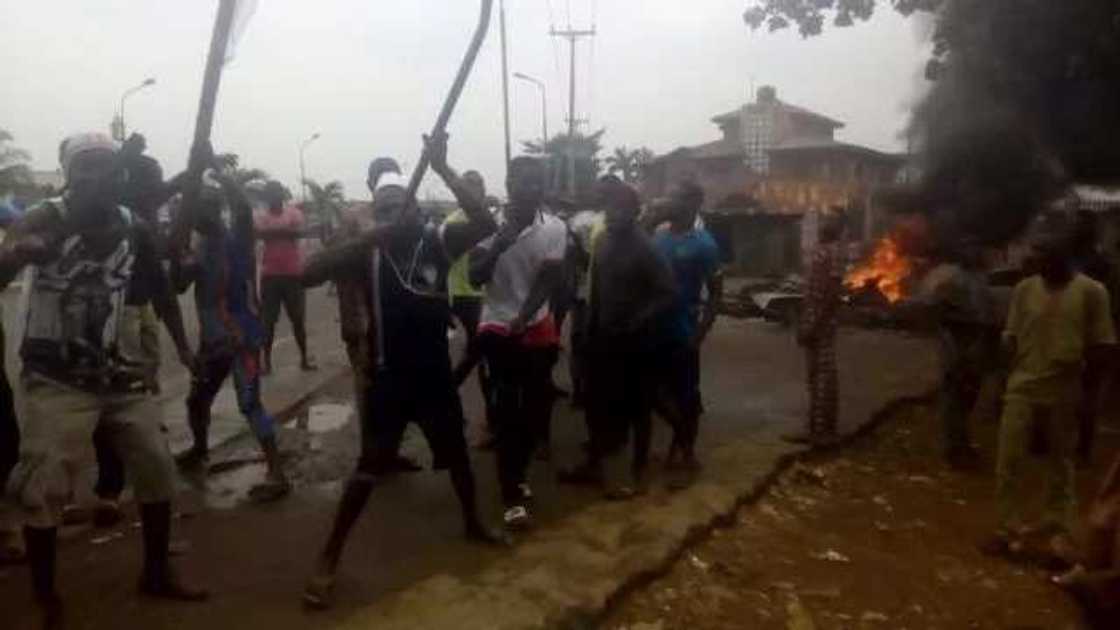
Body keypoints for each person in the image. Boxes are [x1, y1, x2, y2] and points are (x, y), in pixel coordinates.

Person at [1, 133, 206, 626]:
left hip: (120, 376)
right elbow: (5, 262)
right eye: (86, 167)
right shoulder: (44, 218)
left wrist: (182, 347)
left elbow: (159, 287)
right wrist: (20, 253)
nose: (98, 176)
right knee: (44, 486)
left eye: (107, 167)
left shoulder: (133, 225)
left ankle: (156, 573)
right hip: (57, 379)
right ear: (70, 173)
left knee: (157, 468)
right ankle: (47, 598)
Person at [301, 133, 502, 609]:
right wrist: (368, 236)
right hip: (388, 379)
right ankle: (329, 556)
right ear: (378, 215)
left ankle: (473, 521)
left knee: (457, 457)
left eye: (400, 207)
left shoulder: (437, 243)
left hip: (434, 376)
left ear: (415, 210)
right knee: (368, 468)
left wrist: (444, 169)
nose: (394, 216)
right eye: (385, 210)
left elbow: (486, 220)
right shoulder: (367, 249)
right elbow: (308, 273)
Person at [987, 226, 1116, 557]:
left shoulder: (1092, 292)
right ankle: (1007, 530)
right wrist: (1002, 383)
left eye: (1044, 253)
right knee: (1008, 459)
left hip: (1065, 388)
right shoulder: (1024, 289)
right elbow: (1010, 338)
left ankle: (1057, 531)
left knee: (1061, 463)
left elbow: (1102, 347)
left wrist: (1091, 397)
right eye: (1035, 252)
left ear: (1064, 256)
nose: (1036, 259)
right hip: (1022, 386)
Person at [172, 148, 291, 502]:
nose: (195, 215)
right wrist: (179, 261)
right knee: (197, 402)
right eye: (192, 210)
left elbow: (240, 207)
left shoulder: (235, 237)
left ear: (213, 208)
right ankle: (200, 449)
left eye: (201, 208)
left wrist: (217, 171)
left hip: (241, 339)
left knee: (250, 404)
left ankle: (278, 472)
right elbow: (179, 285)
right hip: (214, 344)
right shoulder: (198, 245)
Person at [560, 179, 677, 498]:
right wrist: (586, 327)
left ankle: (638, 472)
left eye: (618, 207)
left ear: (633, 211)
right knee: (597, 405)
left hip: (636, 343)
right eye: (608, 206)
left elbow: (667, 293)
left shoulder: (645, 248)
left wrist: (639, 320)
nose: (611, 212)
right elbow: (596, 286)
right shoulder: (604, 241)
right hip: (602, 338)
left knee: (638, 408)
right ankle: (594, 465)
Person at [469, 156, 567, 530]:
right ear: (510, 184)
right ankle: (511, 493)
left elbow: (549, 279)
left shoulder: (554, 228)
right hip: (496, 326)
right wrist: (499, 245)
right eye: (526, 182)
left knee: (535, 409)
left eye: (539, 182)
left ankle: (518, 474)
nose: (534, 190)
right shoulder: (487, 225)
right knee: (509, 411)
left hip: (535, 324)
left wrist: (526, 316)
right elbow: (476, 277)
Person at [330, 156, 422, 474]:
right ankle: (370, 460)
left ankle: (389, 452)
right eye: (381, 177)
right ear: (371, 184)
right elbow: (344, 274)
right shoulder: (354, 219)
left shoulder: (407, 215)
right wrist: (355, 324)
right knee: (369, 392)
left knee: (397, 390)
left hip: (398, 320)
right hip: (366, 321)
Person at [649, 181, 722, 482]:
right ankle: (680, 436)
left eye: (675, 198)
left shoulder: (704, 244)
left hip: (683, 330)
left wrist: (700, 334)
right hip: (654, 327)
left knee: (686, 395)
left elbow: (716, 294)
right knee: (651, 391)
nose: (668, 202)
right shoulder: (658, 236)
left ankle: (685, 452)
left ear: (693, 203)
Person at [928, 237, 998, 470]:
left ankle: (961, 444)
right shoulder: (951, 279)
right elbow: (940, 313)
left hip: (974, 350)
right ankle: (954, 451)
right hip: (957, 351)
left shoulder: (978, 278)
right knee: (954, 401)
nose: (982, 255)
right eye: (976, 252)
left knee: (967, 400)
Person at [785, 213, 846, 447]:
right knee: (815, 376)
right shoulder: (820, 250)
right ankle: (814, 428)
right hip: (812, 318)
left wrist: (816, 323)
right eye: (822, 219)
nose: (823, 223)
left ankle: (823, 433)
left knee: (823, 377)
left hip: (822, 322)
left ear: (839, 227)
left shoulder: (834, 251)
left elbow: (832, 293)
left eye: (829, 220)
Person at [444, 170, 495, 442]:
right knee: (482, 353)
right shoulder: (456, 223)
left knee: (480, 352)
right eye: (472, 189)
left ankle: (450, 394)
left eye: (479, 188)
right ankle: (489, 418)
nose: (477, 193)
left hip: (481, 295)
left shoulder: (486, 219)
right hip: (466, 297)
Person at [256, 180, 317, 373]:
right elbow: (259, 233)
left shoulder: (293, 212)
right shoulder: (261, 215)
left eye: (277, 194)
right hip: (270, 276)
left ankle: (304, 359)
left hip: (293, 274)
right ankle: (266, 362)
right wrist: (285, 231)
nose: (274, 198)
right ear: (266, 198)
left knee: (298, 320)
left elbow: (299, 232)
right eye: (270, 195)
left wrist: (274, 233)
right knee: (268, 322)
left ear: (281, 196)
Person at [1071, 210, 1117, 465]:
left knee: (1068, 389)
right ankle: (1081, 449)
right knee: (1088, 392)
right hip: (1096, 335)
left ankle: (1072, 446)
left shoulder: (1072, 263)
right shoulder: (1103, 263)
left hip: (1079, 334)